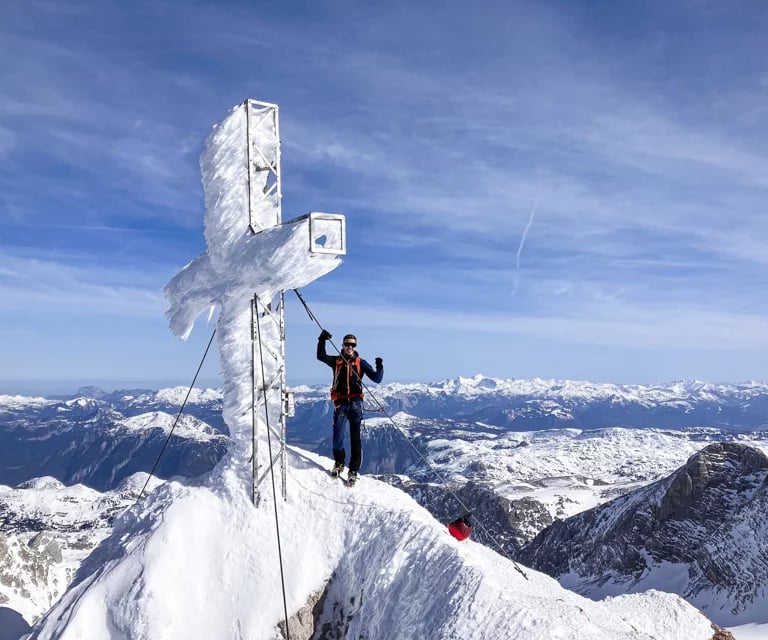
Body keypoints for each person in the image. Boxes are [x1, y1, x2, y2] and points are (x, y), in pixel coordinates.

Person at [316, 329, 383, 486]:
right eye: (347, 344)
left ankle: (353, 470)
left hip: (355, 404)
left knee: (355, 439)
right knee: (337, 437)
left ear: (355, 346)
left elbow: (377, 379)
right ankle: (339, 463)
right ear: (343, 345)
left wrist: (379, 366)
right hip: (340, 403)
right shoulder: (337, 361)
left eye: (352, 345)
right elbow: (321, 356)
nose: (350, 347)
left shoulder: (360, 363)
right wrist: (322, 340)